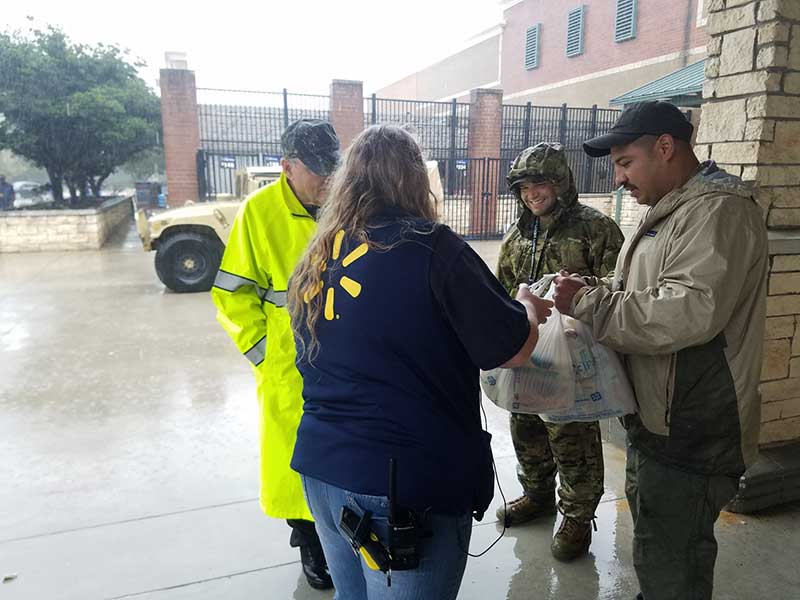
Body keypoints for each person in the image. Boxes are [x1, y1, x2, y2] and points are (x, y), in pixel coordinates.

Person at [287, 124, 553, 600]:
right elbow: (513, 348)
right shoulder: (432, 247)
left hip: (323, 469)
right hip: (402, 483)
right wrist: (529, 305)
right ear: (414, 179)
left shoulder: (320, 251)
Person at [553, 100, 768, 600]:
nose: (620, 179)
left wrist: (592, 304)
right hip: (661, 418)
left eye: (626, 163)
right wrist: (600, 288)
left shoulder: (718, 211)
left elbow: (687, 310)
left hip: (694, 429)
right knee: (658, 546)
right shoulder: (675, 210)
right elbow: (652, 288)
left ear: (666, 148)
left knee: (675, 560)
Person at [210, 119, 341, 590]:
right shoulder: (258, 213)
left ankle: (343, 535)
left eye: (334, 169)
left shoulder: (347, 206)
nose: (328, 181)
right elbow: (231, 294)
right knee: (296, 459)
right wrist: (265, 356)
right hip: (288, 365)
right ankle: (310, 542)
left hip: (347, 359)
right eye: (318, 171)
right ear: (286, 167)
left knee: (345, 450)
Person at [494, 142, 624, 561]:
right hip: (528, 352)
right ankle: (537, 494)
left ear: (562, 183)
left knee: (572, 434)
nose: (532, 193)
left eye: (541, 183)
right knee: (526, 426)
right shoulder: (517, 236)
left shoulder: (596, 228)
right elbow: (501, 288)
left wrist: (582, 290)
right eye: (524, 186)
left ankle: (578, 516)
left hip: (576, 355)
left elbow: (621, 285)